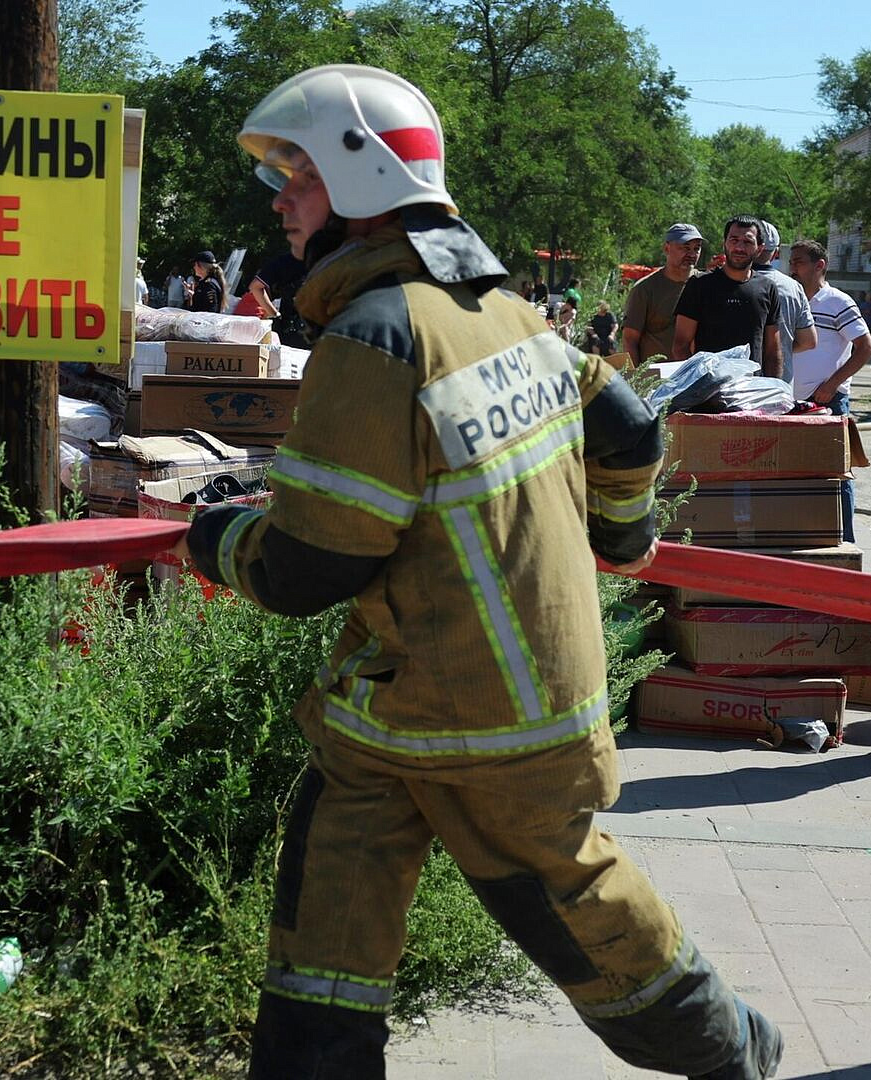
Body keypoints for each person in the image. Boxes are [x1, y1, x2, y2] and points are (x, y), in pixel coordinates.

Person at [180, 64, 780, 1080]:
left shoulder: (379, 337)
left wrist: (211, 536)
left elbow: (310, 564)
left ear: (364, 181)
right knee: (330, 922)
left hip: (479, 722)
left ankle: (737, 1052)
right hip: (405, 712)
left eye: (298, 172)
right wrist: (621, 538)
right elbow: (628, 424)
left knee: (586, 923)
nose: (279, 197)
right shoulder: (500, 312)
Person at [786, 238, 871, 541]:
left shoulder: (838, 302)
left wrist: (832, 384)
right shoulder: (790, 299)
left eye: (798, 261)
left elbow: (865, 348)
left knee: (838, 475)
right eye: (791, 262)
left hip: (829, 401)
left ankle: (844, 540)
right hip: (790, 402)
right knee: (795, 473)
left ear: (819, 265)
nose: (792, 268)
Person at [672, 216, 783, 376]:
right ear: (724, 243)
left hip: (750, 392)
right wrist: (697, 385)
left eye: (747, 242)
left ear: (759, 249)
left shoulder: (767, 288)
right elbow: (680, 346)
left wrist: (774, 390)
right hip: (707, 392)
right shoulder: (700, 284)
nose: (739, 247)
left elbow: (773, 351)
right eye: (734, 239)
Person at [621, 223, 703, 363]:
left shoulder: (705, 285)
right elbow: (630, 340)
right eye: (685, 248)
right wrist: (635, 380)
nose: (692, 254)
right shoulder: (645, 289)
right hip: (657, 378)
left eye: (696, 249)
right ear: (667, 248)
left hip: (697, 376)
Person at [752, 220, 816, 372]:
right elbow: (809, 341)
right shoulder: (793, 287)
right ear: (775, 253)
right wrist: (782, 349)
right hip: (780, 384)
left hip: (737, 385)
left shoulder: (729, 283)